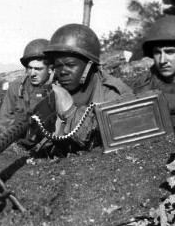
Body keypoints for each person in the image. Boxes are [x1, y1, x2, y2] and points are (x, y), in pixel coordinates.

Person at [37, 23, 132, 155]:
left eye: (70, 65)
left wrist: (70, 111)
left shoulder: (114, 94)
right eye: (58, 66)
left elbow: (104, 146)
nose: (63, 71)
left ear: (89, 66)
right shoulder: (53, 91)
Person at [0, 39, 53, 137]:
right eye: (30, 68)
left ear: (50, 69)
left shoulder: (58, 90)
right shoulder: (17, 87)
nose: (32, 73)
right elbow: (3, 123)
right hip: (21, 145)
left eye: (38, 69)